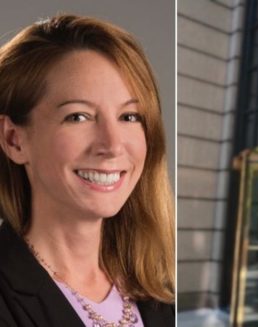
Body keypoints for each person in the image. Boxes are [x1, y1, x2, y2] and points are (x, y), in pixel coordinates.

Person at [0, 14, 175, 326]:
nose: (112, 145)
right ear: (14, 140)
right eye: (78, 116)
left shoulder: (162, 291)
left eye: (130, 116)